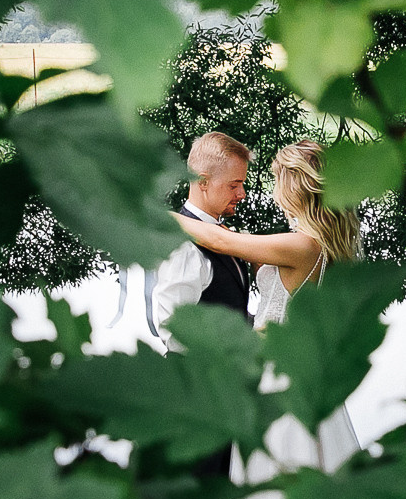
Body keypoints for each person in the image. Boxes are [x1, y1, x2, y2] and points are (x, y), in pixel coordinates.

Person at [172, 140, 364, 475]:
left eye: (277, 181)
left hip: (279, 374)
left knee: (277, 466)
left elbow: (219, 241)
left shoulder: (303, 246)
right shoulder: (319, 246)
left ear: (294, 188)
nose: (274, 191)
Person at [149, 132, 255, 343]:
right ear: (203, 182)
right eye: (233, 186)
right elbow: (175, 329)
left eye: (242, 184)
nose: (242, 194)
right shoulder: (183, 247)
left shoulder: (224, 234)